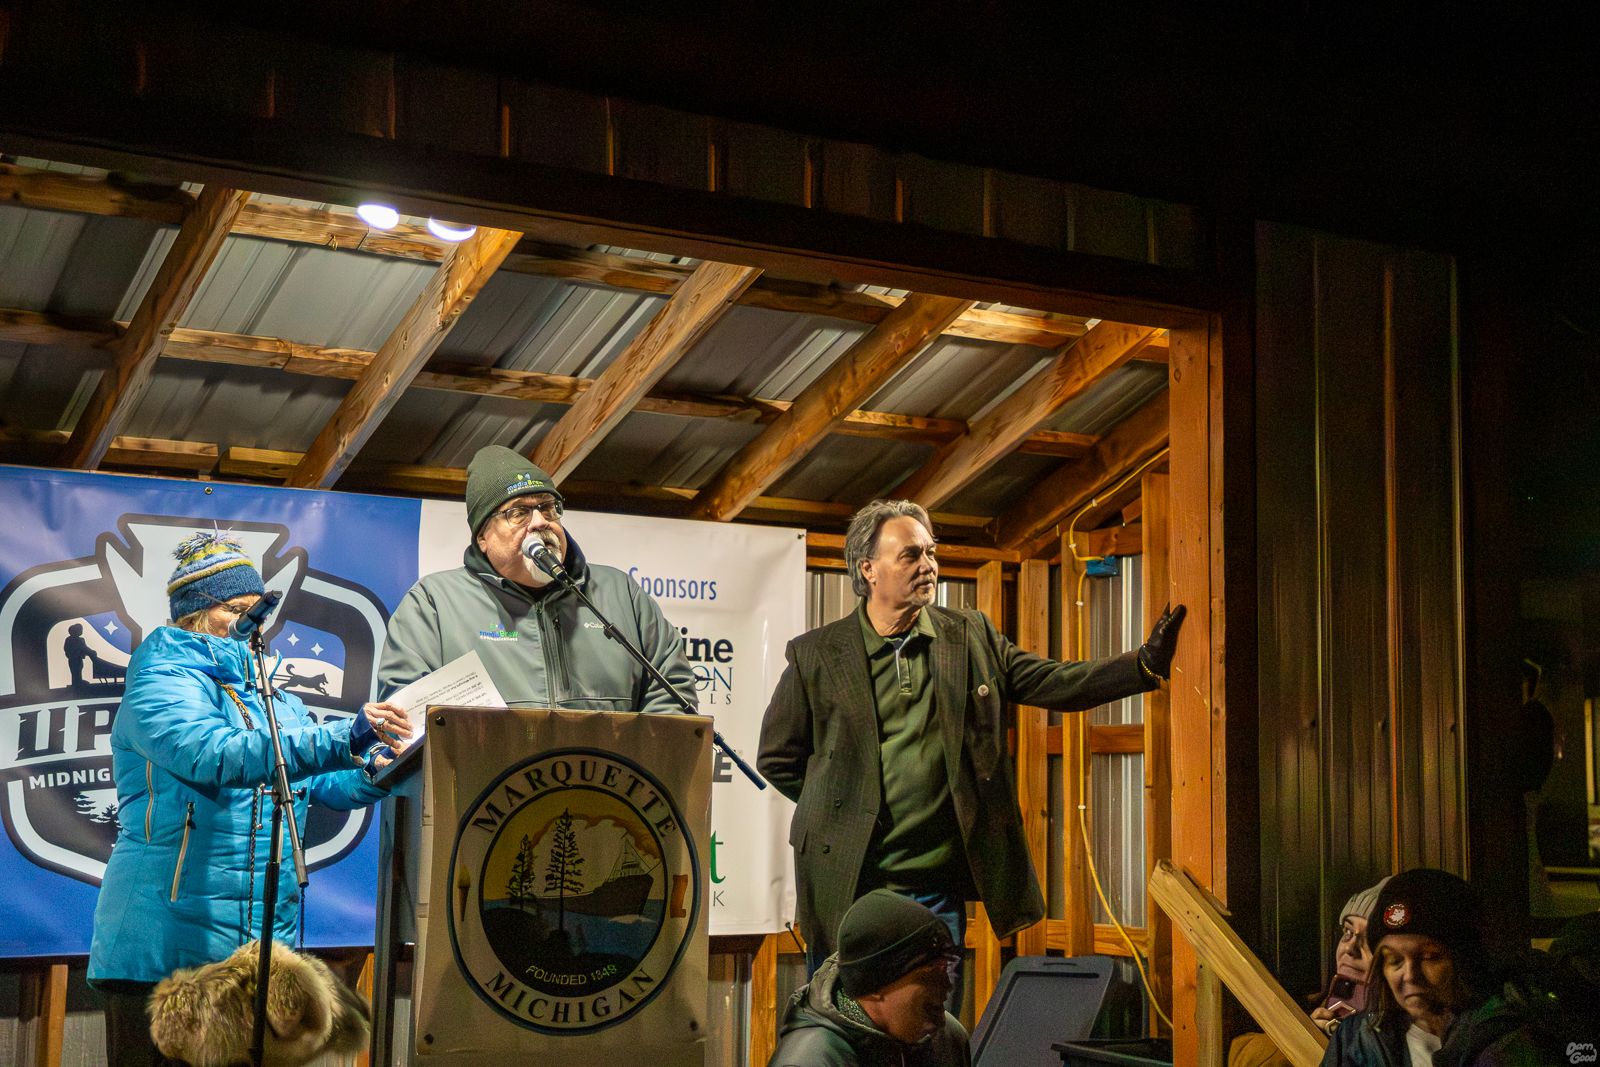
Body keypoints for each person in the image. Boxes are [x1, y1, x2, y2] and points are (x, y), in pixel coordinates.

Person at [757, 499, 1184, 994]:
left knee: (932, 1024)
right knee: (844, 1018)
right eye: (911, 555)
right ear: (867, 569)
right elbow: (778, 758)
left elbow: (1053, 681)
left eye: (931, 552)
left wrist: (1142, 665)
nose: (927, 565)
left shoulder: (967, 636)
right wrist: (845, 808)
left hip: (934, 890)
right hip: (849, 885)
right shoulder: (817, 654)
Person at [88, 534, 411, 1067]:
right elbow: (213, 755)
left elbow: (317, 783)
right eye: (235, 610)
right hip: (164, 953)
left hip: (254, 955)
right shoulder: (159, 682)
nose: (252, 623)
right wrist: (343, 737)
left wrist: (378, 769)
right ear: (193, 613)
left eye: (255, 610)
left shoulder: (271, 695)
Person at [379, 446, 696, 712]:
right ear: (483, 537)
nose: (540, 521)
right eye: (518, 513)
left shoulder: (620, 593)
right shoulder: (434, 602)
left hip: (607, 772)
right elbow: (407, 716)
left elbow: (673, 697)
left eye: (547, 508)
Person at [772, 889, 969, 1067]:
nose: (946, 985)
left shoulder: (947, 1039)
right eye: (929, 972)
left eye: (944, 967)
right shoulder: (809, 1061)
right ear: (874, 984)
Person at [1230, 878, 1390, 1067]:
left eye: (1370, 939)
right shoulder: (1321, 1009)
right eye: (1347, 931)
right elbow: (1240, 1056)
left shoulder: (1403, 1031)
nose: (1349, 948)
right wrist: (1307, 1036)